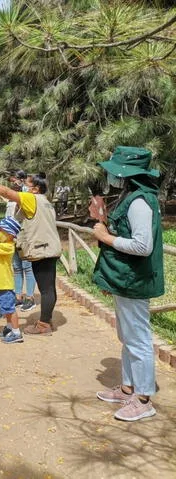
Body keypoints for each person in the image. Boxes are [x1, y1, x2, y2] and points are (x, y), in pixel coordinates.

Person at [92, 146, 164, 422]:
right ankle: (128, 388)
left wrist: (105, 236)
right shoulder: (132, 197)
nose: (112, 178)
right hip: (127, 280)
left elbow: (142, 246)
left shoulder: (139, 202)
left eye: (116, 173)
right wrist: (103, 221)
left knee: (138, 339)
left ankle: (143, 399)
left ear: (127, 175)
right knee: (128, 337)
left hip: (135, 281)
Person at [0, 173, 61, 336]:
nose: (23, 185)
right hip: (49, 248)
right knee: (49, 288)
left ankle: (43, 325)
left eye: (27, 183)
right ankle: (46, 319)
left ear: (36, 188)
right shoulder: (45, 201)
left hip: (42, 249)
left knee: (46, 289)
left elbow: (5, 192)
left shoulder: (31, 198)